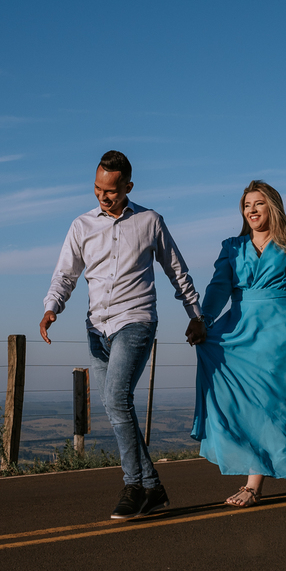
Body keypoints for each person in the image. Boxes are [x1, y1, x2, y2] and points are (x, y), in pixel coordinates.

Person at [41, 150, 207, 519]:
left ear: (128, 186)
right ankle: (153, 487)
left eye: (111, 191)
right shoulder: (81, 225)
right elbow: (65, 274)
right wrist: (53, 306)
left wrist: (195, 315)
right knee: (116, 406)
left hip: (136, 320)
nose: (103, 196)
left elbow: (177, 272)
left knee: (117, 400)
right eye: (98, 188)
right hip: (95, 327)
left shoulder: (150, 221)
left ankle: (133, 486)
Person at [191, 180, 286, 506]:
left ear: (272, 207)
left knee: (281, 408)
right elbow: (218, 290)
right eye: (247, 205)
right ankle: (269, 475)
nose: (252, 210)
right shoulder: (232, 247)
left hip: (285, 336)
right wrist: (204, 321)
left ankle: (256, 485)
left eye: (258, 204)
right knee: (246, 405)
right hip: (242, 335)